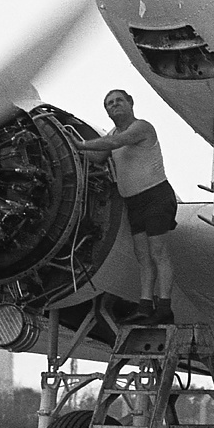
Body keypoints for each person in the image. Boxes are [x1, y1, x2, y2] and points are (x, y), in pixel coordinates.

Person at [76, 90, 177, 325]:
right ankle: (145, 305)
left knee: (158, 252)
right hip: (134, 202)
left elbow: (113, 143)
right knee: (143, 256)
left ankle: (164, 307)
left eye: (118, 101)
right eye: (109, 104)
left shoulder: (141, 128)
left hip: (155, 195)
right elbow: (95, 157)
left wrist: (79, 143)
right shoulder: (112, 135)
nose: (114, 106)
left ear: (131, 103)